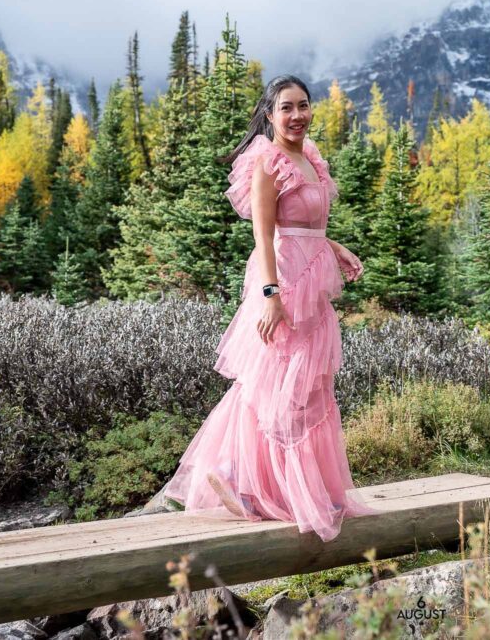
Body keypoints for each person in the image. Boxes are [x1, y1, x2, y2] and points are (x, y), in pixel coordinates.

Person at [161, 74, 383, 542]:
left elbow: (306, 222)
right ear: (269, 113)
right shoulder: (266, 161)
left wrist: (335, 247)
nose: (297, 115)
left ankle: (296, 486)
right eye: (287, 107)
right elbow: (264, 233)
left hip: (314, 283)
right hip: (281, 282)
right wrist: (269, 296)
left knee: (310, 386)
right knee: (269, 383)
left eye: (303, 105)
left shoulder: (311, 157)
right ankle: (236, 476)